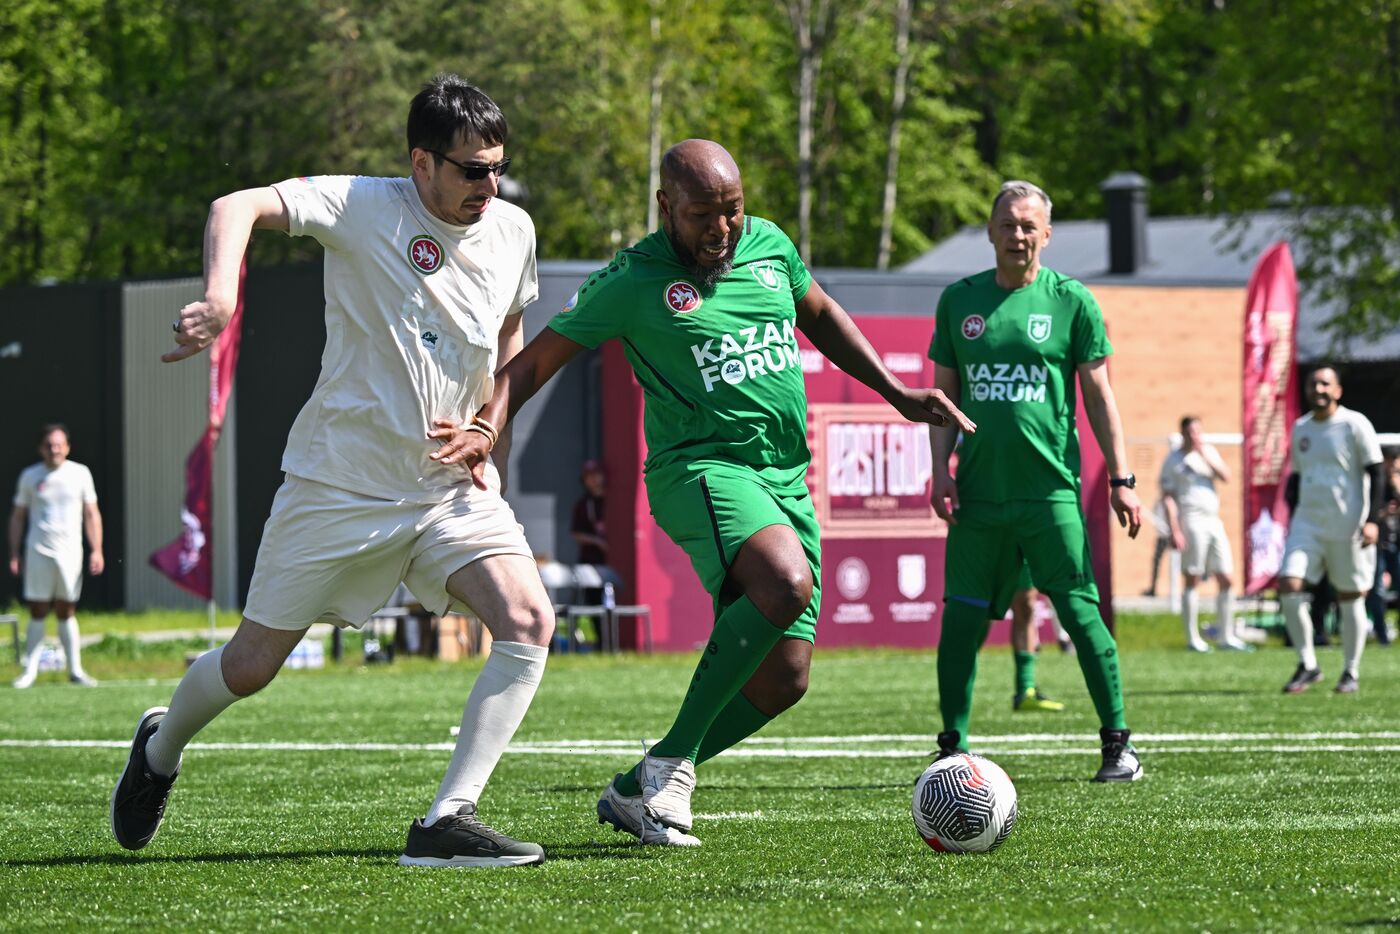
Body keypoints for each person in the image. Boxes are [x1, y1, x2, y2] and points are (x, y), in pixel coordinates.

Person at [427, 139, 973, 846]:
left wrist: (897, 393)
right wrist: (484, 426)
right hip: (701, 470)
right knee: (783, 582)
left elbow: (823, 315)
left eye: (733, 211)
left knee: (785, 680)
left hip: (784, 475)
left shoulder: (770, 246)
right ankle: (675, 769)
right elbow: (533, 365)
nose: (721, 229)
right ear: (665, 208)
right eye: (701, 215)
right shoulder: (633, 279)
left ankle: (637, 785)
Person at [110, 76, 555, 867]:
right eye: (470, 170)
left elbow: (510, 337)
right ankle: (161, 744)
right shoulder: (361, 203)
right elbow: (234, 205)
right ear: (421, 163)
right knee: (249, 668)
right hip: (339, 486)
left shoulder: (513, 228)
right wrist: (220, 298)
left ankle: (446, 820)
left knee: (528, 620)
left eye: (496, 168)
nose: (489, 186)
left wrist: (492, 435)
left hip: (447, 491)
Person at [928, 179, 1144, 782]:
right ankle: (951, 748)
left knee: (1081, 614)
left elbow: (1100, 397)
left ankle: (1118, 745)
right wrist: (938, 470)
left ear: (1046, 234)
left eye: (1029, 225)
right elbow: (943, 399)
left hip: (1050, 495)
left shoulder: (1071, 301)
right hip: (977, 497)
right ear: (991, 232)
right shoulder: (958, 301)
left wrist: (1122, 477)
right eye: (1007, 224)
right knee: (961, 623)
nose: (1018, 234)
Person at [1279, 365, 1384, 694]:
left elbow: (1377, 473)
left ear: (1338, 390)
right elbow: (1296, 477)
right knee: (1289, 584)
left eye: (1325, 383)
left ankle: (1350, 671)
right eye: (1313, 384)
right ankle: (1308, 663)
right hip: (1307, 523)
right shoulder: (1301, 428)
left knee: (1350, 596)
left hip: (1348, 525)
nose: (1318, 389)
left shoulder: (1355, 424)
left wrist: (1373, 521)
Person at [8, 424, 104, 688]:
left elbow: (91, 514)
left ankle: (75, 670)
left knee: (66, 608)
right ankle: (29, 672)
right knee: (38, 609)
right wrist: (14, 552)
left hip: (70, 552)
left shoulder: (80, 474)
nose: (54, 449)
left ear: (68, 447)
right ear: (41, 448)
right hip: (38, 551)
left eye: (59, 444)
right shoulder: (30, 476)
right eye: (49, 445)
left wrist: (97, 549)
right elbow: (18, 517)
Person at [1160, 415, 1249, 651]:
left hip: (1213, 520)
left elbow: (1226, 476)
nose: (1194, 437)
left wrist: (1205, 455)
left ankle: (1225, 636)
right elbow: (1168, 497)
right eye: (1189, 432)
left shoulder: (1208, 452)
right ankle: (1193, 638)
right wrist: (1175, 529)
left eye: (1197, 432)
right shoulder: (1174, 460)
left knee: (1226, 577)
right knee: (1193, 577)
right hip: (1191, 520)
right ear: (1182, 434)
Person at [1008, 573, 1065, 711]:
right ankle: (956, 689)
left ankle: (1025, 691)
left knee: (1025, 604)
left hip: (1023, 552)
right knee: (981, 609)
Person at [1364, 446, 1399, 646]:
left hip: (1397, 543)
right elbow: (1369, 514)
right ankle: (1382, 635)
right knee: (1377, 591)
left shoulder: (1396, 482)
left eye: (1397, 459)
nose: (1393, 464)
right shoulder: (1375, 483)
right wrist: (1384, 513)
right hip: (1378, 545)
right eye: (1390, 459)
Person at [570, 459, 608, 567]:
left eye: (596, 474)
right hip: (591, 561)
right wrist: (598, 542)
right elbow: (575, 533)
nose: (593, 479)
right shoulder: (583, 504)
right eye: (589, 476)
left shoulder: (614, 501)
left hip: (614, 560)